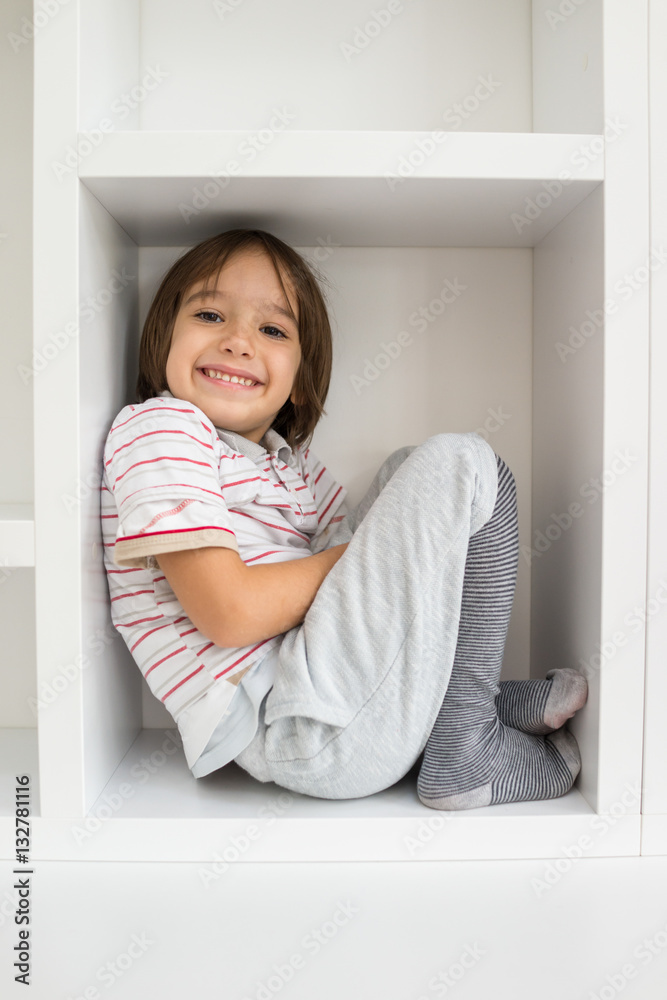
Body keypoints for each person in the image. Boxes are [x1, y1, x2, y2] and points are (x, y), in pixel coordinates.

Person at [101, 228, 588, 810]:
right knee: (463, 466)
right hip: (301, 726)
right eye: (210, 314)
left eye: (272, 329)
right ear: (162, 343)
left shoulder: (288, 467)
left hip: (329, 699)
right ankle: (466, 754)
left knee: (410, 473)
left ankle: (464, 708)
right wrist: (363, 561)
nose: (237, 341)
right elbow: (229, 614)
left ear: (300, 386)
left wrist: (373, 557)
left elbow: (385, 563)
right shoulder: (162, 428)